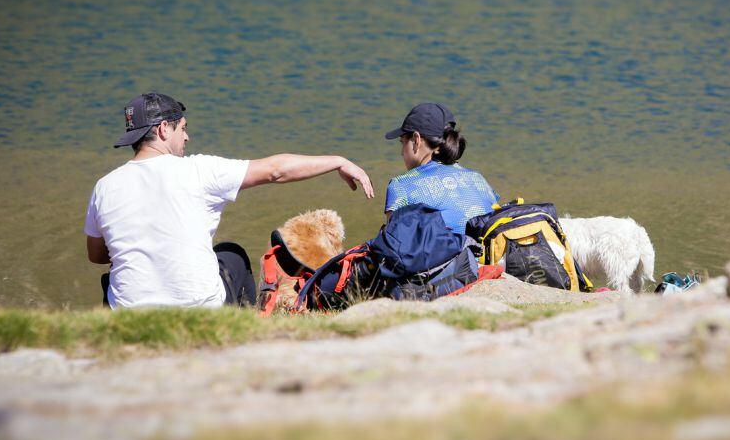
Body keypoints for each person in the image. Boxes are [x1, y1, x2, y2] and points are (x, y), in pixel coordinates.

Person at [85, 92, 373, 309]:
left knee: (116, 276)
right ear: (163, 130)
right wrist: (337, 161)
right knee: (231, 255)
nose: (187, 137)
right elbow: (276, 170)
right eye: (182, 128)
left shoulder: (105, 186)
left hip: (129, 312)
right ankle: (245, 329)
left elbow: (97, 255)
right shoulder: (198, 170)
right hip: (199, 308)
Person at [383, 102, 499, 235]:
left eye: (402, 142)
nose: (402, 152)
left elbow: (393, 243)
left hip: (448, 256)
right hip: (489, 254)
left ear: (416, 140)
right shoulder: (478, 178)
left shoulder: (400, 186)